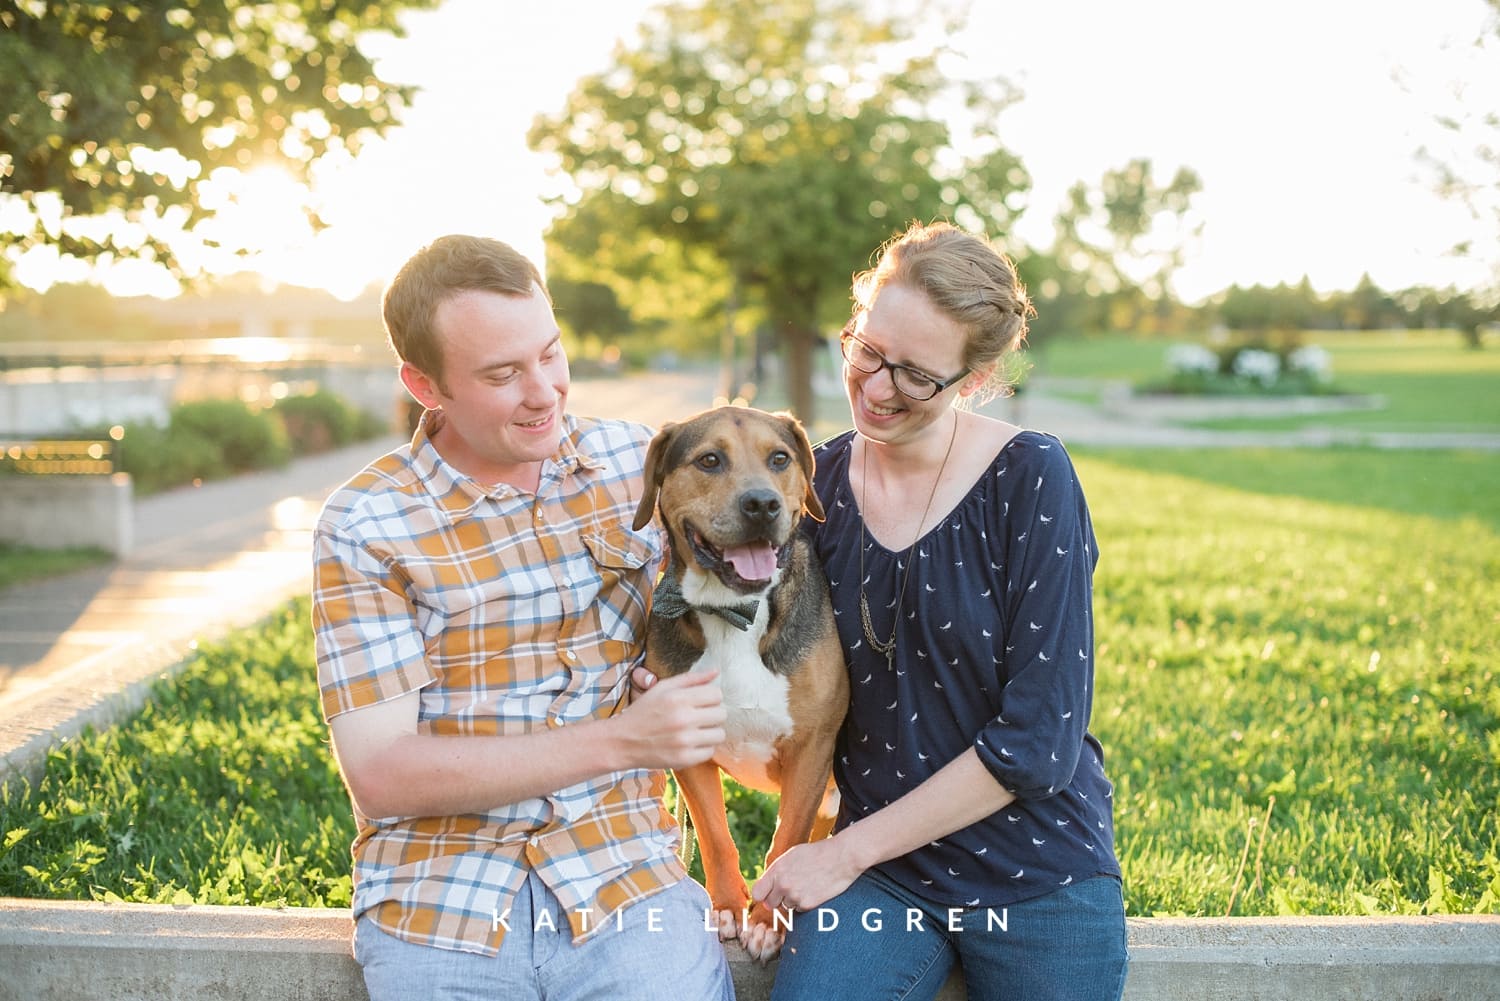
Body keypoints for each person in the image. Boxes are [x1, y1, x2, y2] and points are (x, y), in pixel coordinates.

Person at [311, 234, 736, 1001]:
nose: (544, 391)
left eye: (550, 353)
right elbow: (379, 773)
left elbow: (766, 558)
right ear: (424, 383)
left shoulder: (637, 463)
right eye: (503, 374)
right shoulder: (366, 524)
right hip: (440, 892)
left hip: (624, 871)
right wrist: (622, 739)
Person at [753, 221, 1127, 1000]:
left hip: (1035, 868)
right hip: (885, 879)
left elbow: (1038, 746)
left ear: (977, 377)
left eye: (917, 375)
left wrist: (842, 853)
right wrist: (676, 713)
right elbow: (797, 714)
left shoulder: (1031, 477)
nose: (879, 387)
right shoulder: (814, 489)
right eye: (867, 350)